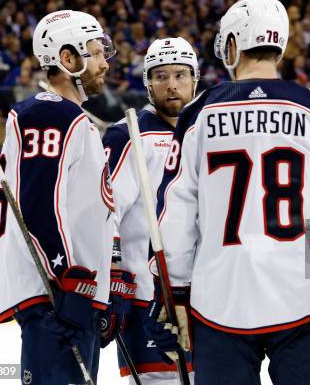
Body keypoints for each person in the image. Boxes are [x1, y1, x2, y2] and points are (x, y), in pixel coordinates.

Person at [149, 0, 310, 384]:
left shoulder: (198, 113)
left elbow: (175, 213)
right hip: (304, 299)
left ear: (233, 45)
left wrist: (174, 293)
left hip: (221, 299)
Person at [0, 10, 122, 384]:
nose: (104, 64)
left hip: (70, 294)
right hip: (56, 294)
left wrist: (100, 290)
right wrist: (69, 281)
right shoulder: (49, 115)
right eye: (95, 53)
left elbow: (94, 212)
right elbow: (37, 205)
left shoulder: (73, 119)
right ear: (68, 59)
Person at [102, 37, 199, 384]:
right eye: (160, 76)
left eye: (180, 75)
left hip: (198, 299)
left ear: (195, 79)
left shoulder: (201, 135)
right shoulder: (128, 135)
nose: (171, 84)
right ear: (147, 83)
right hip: (146, 297)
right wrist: (114, 280)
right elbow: (106, 211)